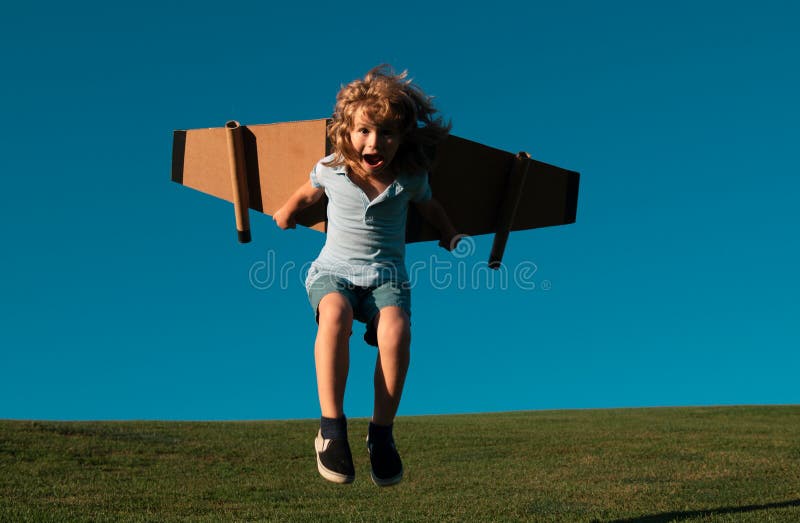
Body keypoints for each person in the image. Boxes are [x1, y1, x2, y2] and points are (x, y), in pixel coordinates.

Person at [273, 65, 460, 487]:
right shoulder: (332, 167)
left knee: (396, 331)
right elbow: (308, 191)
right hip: (333, 272)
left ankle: (381, 433)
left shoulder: (411, 178)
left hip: (386, 279)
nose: (374, 143)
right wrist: (287, 211)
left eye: (387, 134)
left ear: (402, 137)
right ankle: (331, 430)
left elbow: (430, 208)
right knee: (334, 315)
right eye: (364, 131)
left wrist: (448, 232)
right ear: (346, 130)